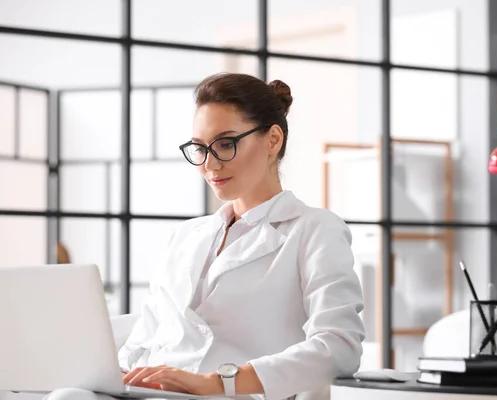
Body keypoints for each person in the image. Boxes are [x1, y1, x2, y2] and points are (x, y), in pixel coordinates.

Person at [44, 73, 365, 400]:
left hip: (228, 395)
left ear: (273, 140)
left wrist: (218, 382)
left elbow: (339, 346)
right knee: (67, 394)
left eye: (225, 144)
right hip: (152, 393)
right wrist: (117, 379)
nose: (209, 164)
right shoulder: (185, 236)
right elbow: (145, 338)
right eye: (199, 148)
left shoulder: (314, 229)